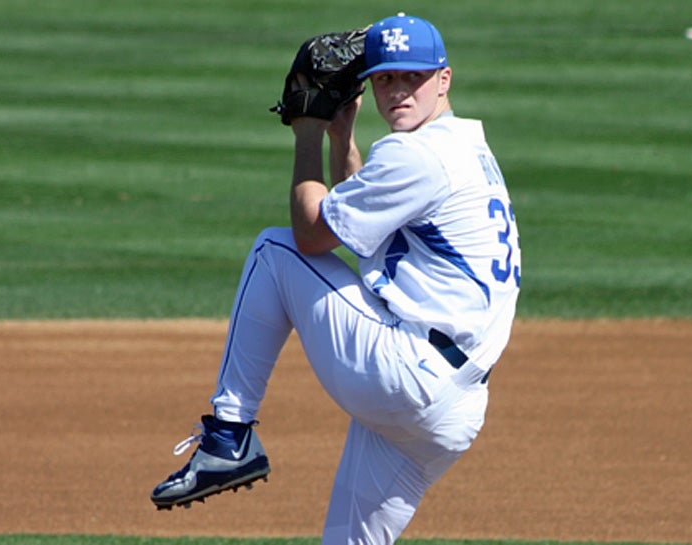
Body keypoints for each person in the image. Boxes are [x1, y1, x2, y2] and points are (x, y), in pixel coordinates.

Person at [150, 13, 521, 543]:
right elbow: (364, 221)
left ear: (444, 78)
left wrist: (307, 135)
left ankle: (228, 435)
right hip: (452, 411)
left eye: (412, 77)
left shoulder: (417, 155)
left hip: (407, 376)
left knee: (274, 250)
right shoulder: (464, 148)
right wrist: (341, 135)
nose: (398, 91)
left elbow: (311, 235)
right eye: (386, 78)